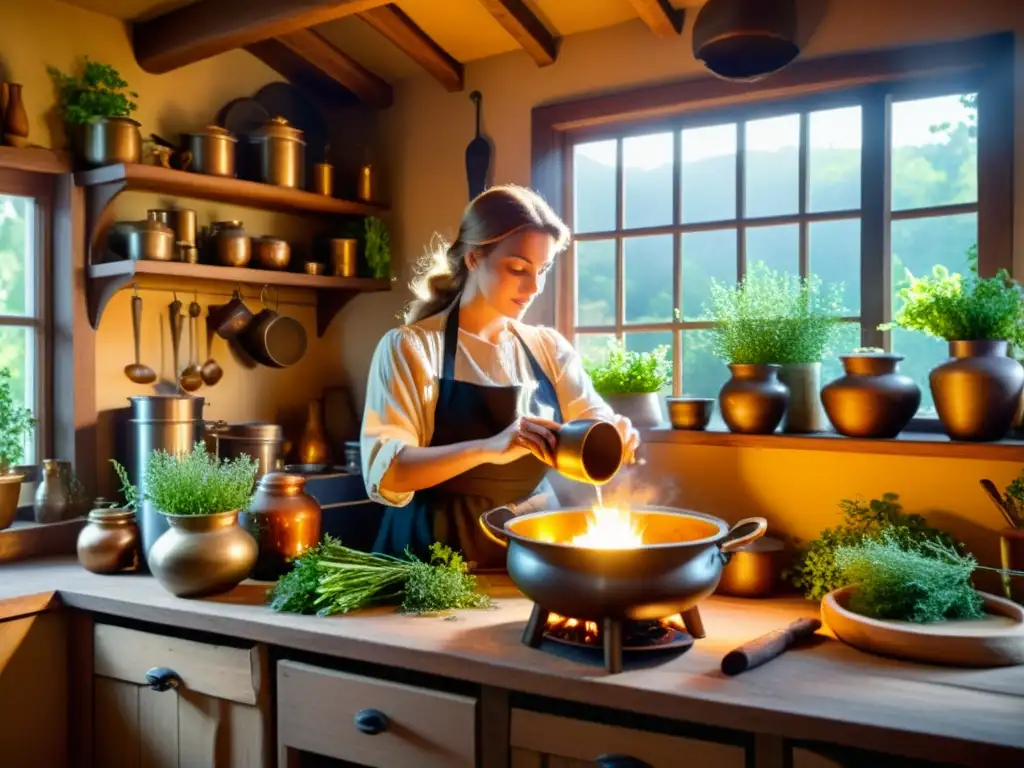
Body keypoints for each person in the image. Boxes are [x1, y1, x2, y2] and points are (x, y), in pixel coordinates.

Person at [360, 184, 641, 571]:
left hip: (529, 552)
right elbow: (388, 473)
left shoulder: (548, 349)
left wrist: (617, 431)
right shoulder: (411, 348)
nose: (533, 288)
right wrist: (490, 447)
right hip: (431, 558)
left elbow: (591, 420)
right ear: (474, 258)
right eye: (518, 269)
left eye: (542, 270)